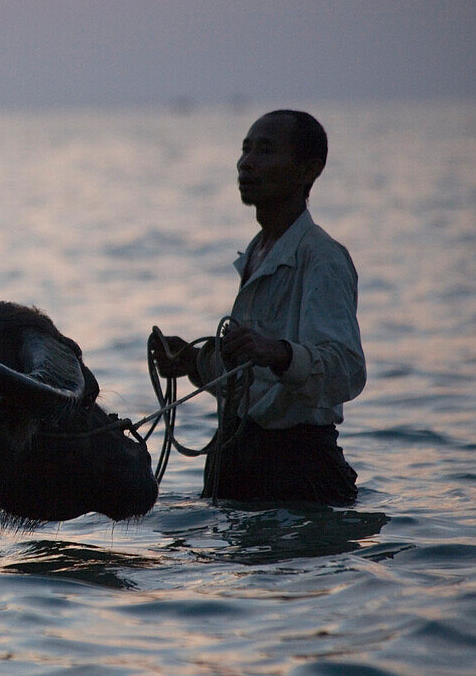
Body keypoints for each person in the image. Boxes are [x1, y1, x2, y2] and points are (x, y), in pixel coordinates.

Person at [152, 110, 366, 506]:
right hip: (237, 462)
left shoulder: (321, 257)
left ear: (308, 171)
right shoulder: (258, 251)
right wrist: (194, 362)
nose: (246, 163)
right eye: (245, 150)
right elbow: (252, 377)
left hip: (298, 470)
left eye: (265, 151)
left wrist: (280, 353)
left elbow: (347, 370)